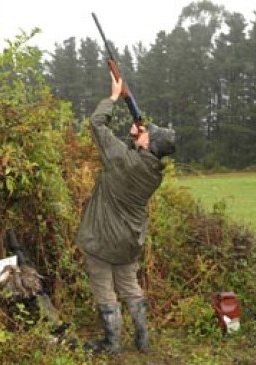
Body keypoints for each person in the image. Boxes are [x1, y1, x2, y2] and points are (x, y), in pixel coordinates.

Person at [75, 73, 176, 354]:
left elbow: (96, 124)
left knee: (104, 289)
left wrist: (113, 97)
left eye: (147, 133)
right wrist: (135, 139)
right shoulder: (153, 172)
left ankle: (111, 344)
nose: (144, 131)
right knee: (130, 286)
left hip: (103, 239)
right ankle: (142, 341)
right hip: (130, 241)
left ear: (148, 145)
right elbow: (131, 164)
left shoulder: (123, 159)